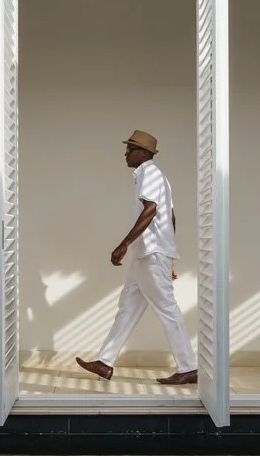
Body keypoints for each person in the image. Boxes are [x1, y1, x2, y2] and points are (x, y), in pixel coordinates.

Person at [76, 130, 198, 386]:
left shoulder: (150, 173)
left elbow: (151, 210)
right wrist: (170, 255)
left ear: (143, 153)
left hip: (151, 252)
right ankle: (105, 362)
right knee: (128, 308)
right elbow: (171, 216)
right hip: (149, 253)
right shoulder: (154, 176)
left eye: (130, 149)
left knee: (167, 308)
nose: (126, 154)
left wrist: (123, 244)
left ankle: (189, 367)